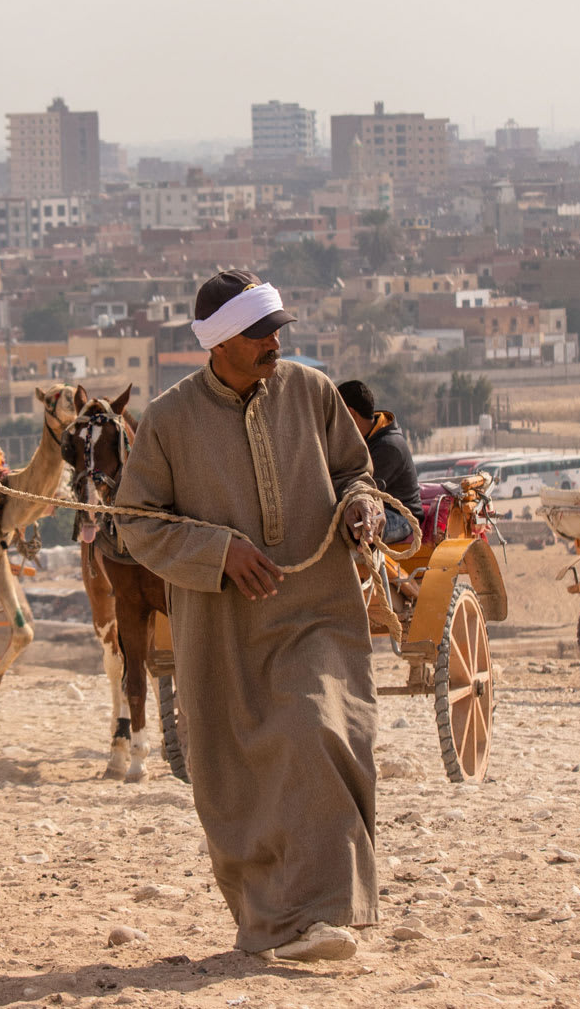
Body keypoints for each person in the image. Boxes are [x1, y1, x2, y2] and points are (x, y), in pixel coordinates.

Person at [114, 269, 384, 963]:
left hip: (317, 608)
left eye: (276, 331)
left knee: (315, 725)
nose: (274, 343)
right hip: (224, 630)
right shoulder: (170, 421)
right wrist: (217, 551)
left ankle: (324, 914)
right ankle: (275, 923)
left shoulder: (313, 392)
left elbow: (357, 472)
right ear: (221, 343)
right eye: (260, 333)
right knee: (242, 774)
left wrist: (361, 505)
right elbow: (135, 524)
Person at [337, 379, 421, 545]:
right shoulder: (365, 440)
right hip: (378, 509)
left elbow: (365, 489)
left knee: (358, 527)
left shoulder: (389, 447)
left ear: (350, 413)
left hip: (400, 517)